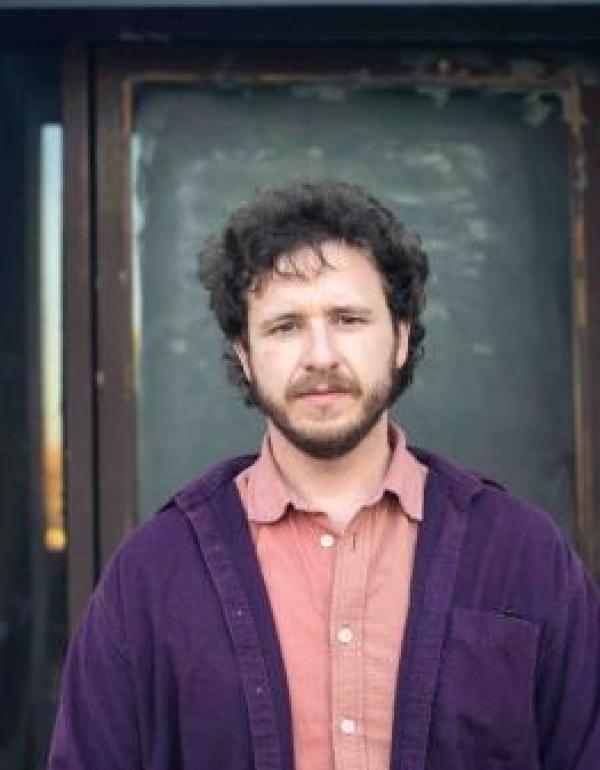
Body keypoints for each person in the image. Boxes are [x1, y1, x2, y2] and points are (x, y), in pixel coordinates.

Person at [48, 181, 600, 770]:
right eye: (285, 326)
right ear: (244, 354)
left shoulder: (522, 555)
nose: (320, 356)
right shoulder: (152, 576)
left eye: (348, 318)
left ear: (400, 337)